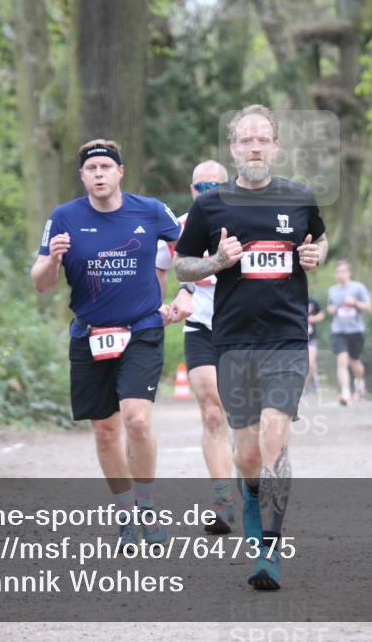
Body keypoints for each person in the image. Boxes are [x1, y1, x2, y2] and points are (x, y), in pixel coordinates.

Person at [174, 104, 328, 590]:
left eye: (263, 140)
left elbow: (320, 241)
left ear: (276, 147)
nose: (255, 147)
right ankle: (251, 506)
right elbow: (181, 266)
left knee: (273, 438)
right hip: (234, 342)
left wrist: (314, 254)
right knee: (246, 454)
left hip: (286, 339)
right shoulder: (211, 206)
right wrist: (216, 261)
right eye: (246, 140)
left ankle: (269, 551)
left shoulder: (299, 197)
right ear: (233, 148)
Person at [30, 138, 182, 546]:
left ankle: (147, 506)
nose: (99, 174)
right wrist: (52, 260)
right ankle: (126, 514)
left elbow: (188, 253)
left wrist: (185, 294)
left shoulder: (150, 211)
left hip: (141, 329)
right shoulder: (64, 218)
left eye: (105, 167)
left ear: (120, 172)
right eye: (91, 169)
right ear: (82, 177)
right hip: (90, 334)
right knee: (104, 431)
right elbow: (41, 283)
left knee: (137, 419)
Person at [155, 159, 237, 535]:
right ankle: (222, 501)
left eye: (214, 187)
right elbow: (162, 267)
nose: (207, 193)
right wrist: (161, 303)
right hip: (202, 327)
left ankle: (256, 491)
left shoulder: (245, 222)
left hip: (244, 329)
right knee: (213, 413)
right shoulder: (180, 227)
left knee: (249, 419)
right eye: (200, 188)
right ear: (192, 191)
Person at [327, 260, 372, 405]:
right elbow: (330, 307)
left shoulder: (358, 287)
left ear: (349, 273)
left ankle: (360, 383)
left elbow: (369, 307)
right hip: (338, 330)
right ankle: (345, 393)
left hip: (356, 330)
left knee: (355, 362)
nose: (341, 275)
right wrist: (331, 309)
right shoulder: (332, 290)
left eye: (343, 271)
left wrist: (355, 303)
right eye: (338, 272)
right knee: (342, 360)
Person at [306, 296, 325, 394]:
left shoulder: (313, 302)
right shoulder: (291, 300)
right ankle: (312, 381)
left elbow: (321, 315)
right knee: (309, 364)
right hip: (296, 338)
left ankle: (305, 386)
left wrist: (311, 319)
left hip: (311, 338)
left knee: (310, 363)